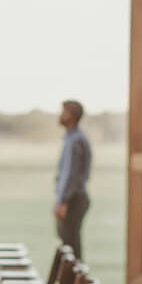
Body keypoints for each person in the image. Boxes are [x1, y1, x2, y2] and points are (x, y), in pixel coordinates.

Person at [54, 99, 92, 262]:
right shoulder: (72, 138)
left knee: (71, 248)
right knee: (69, 244)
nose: (61, 115)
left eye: (64, 112)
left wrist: (63, 201)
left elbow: (71, 174)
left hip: (73, 199)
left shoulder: (75, 140)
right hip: (72, 198)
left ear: (72, 116)